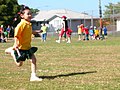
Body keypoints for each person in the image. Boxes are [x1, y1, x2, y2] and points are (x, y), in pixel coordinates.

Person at [5, 5, 42, 81]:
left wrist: (37, 32)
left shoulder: (28, 24)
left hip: (28, 47)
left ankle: (33, 76)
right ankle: (12, 51)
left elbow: (29, 32)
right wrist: (15, 44)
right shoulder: (21, 24)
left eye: (31, 13)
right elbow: (16, 35)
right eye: (28, 14)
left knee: (33, 59)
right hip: (21, 48)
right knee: (19, 64)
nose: (30, 15)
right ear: (22, 15)